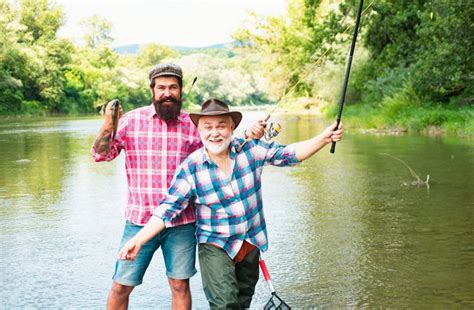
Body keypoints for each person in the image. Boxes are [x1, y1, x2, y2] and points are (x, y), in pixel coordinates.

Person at [117, 98, 344, 309]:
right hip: (215, 244)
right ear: (199, 131)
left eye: (221, 126)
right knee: (224, 304)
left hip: (251, 241)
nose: (215, 133)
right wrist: (138, 239)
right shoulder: (191, 167)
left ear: (232, 128)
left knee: (241, 303)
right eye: (208, 127)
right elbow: (167, 209)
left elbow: (289, 154)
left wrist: (323, 138)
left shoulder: (251, 150)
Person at [91, 65, 265, 310]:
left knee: (180, 285)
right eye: (161, 87)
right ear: (152, 90)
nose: (167, 93)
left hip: (183, 222)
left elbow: (223, 144)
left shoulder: (192, 125)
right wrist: (110, 123)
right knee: (121, 285)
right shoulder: (131, 121)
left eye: (173, 87)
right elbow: (101, 156)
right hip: (140, 220)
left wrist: (252, 134)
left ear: (181, 90)